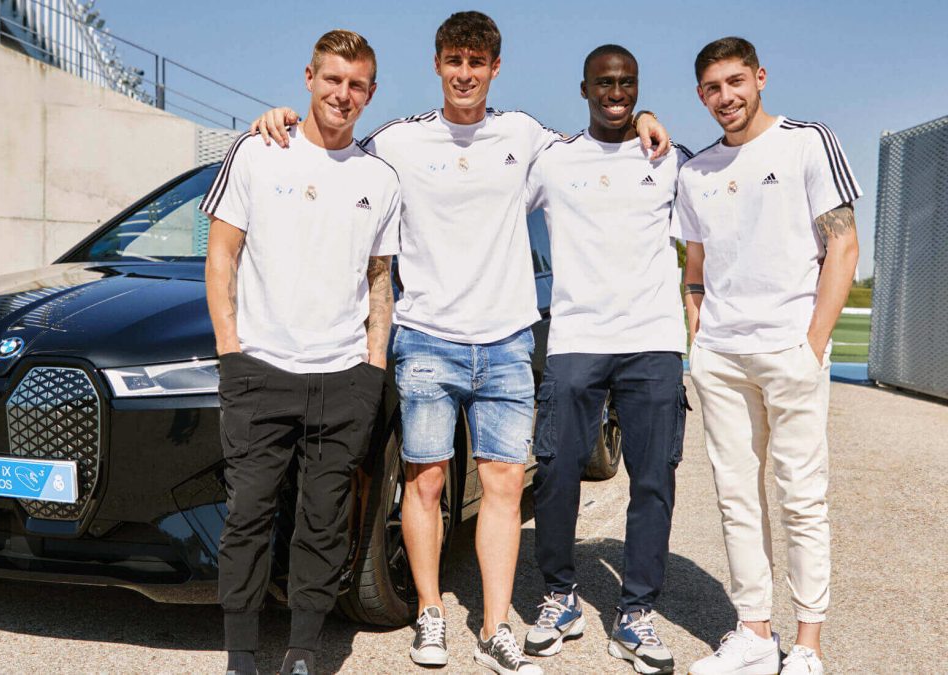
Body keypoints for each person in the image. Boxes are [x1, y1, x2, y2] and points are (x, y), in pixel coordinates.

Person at [252, 12, 670, 674]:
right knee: (425, 481)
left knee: (503, 484)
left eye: (477, 63)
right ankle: (430, 612)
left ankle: (497, 626)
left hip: (506, 339)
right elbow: (332, 144)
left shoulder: (525, 134)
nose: (465, 74)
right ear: (438, 65)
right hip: (427, 340)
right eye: (454, 61)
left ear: (495, 68)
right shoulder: (399, 140)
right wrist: (281, 118)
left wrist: (641, 116)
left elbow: (598, 138)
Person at [202, 29, 400, 675]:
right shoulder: (259, 152)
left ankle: (304, 652)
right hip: (260, 370)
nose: (343, 94)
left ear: (370, 93)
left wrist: (373, 367)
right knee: (248, 517)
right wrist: (231, 352)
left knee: (323, 521)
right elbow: (222, 256)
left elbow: (379, 279)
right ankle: (240, 656)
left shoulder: (379, 178)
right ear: (309, 78)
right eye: (333, 79)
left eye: (356, 85)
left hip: (344, 378)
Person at [675, 37, 860, 675]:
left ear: (759, 77)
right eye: (712, 88)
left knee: (801, 498)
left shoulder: (807, 142)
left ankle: (807, 645)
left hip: (789, 350)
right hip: (722, 357)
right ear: (701, 95)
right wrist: (699, 335)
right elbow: (695, 262)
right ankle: (754, 632)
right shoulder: (696, 171)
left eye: (735, 81)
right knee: (736, 498)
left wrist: (812, 345)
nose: (725, 97)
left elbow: (843, 246)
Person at [523, 44, 690, 674]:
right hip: (576, 338)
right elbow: (486, 203)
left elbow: (709, 234)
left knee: (653, 478)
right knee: (556, 470)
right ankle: (560, 596)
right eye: (604, 83)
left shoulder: (668, 158)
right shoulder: (554, 161)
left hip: (653, 340)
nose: (616, 93)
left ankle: (636, 612)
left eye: (627, 83)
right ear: (584, 88)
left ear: (638, 87)